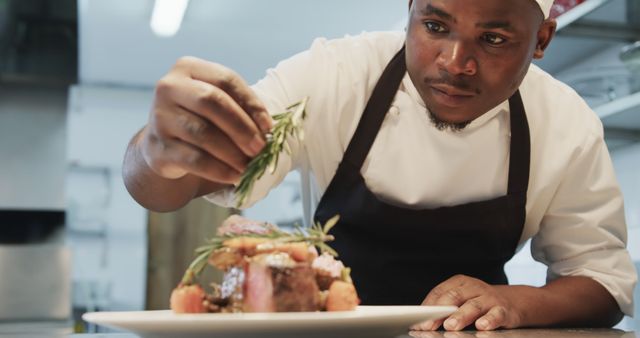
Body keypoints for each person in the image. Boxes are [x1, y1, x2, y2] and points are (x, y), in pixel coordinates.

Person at [123, 0, 637, 331]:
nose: (456, 62)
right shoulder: (333, 75)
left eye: (494, 39)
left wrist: (518, 302)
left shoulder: (565, 121)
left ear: (542, 39)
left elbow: (604, 284)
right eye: (435, 26)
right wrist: (156, 152)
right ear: (409, 10)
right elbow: (173, 187)